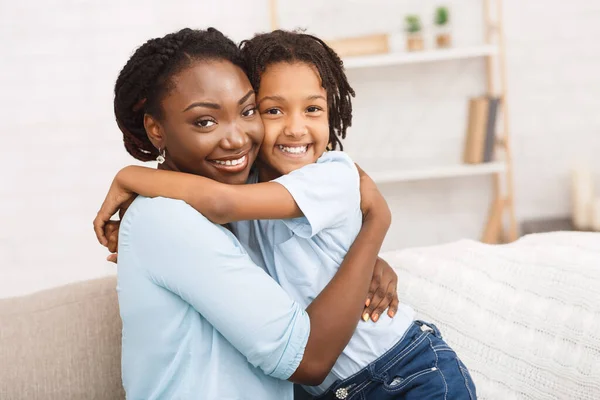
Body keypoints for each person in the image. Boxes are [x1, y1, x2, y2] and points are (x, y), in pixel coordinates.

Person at [96, 30, 477, 399]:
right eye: (272, 110)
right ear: (156, 129)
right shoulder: (202, 204)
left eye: (246, 111)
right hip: (339, 386)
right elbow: (211, 207)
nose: (236, 138)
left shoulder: (311, 178)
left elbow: (224, 204)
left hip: (403, 370)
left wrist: (133, 178)